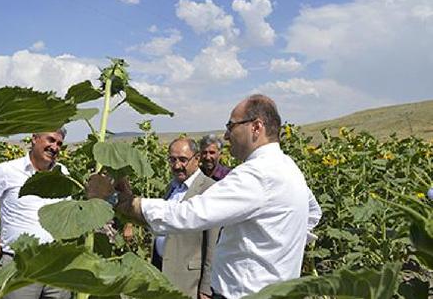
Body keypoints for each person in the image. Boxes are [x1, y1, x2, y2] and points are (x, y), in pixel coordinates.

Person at [87, 95, 322, 299]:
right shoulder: (287, 167)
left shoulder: (258, 174)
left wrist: (116, 200)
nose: (227, 136)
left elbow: (188, 214)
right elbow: (313, 214)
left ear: (256, 127)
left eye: (231, 126)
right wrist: (280, 246)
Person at [0, 129, 71, 299]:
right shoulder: (8, 171)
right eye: (50, 140)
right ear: (34, 139)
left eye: (59, 143)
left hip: (56, 263)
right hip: (20, 262)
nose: (55, 147)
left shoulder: (63, 173)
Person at [151, 138, 219, 299]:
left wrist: (206, 287)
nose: (176, 165)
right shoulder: (172, 187)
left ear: (196, 159)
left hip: (189, 280)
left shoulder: (209, 189)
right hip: (163, 271)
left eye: (183, 160)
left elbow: (213, 243)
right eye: (172, 160)